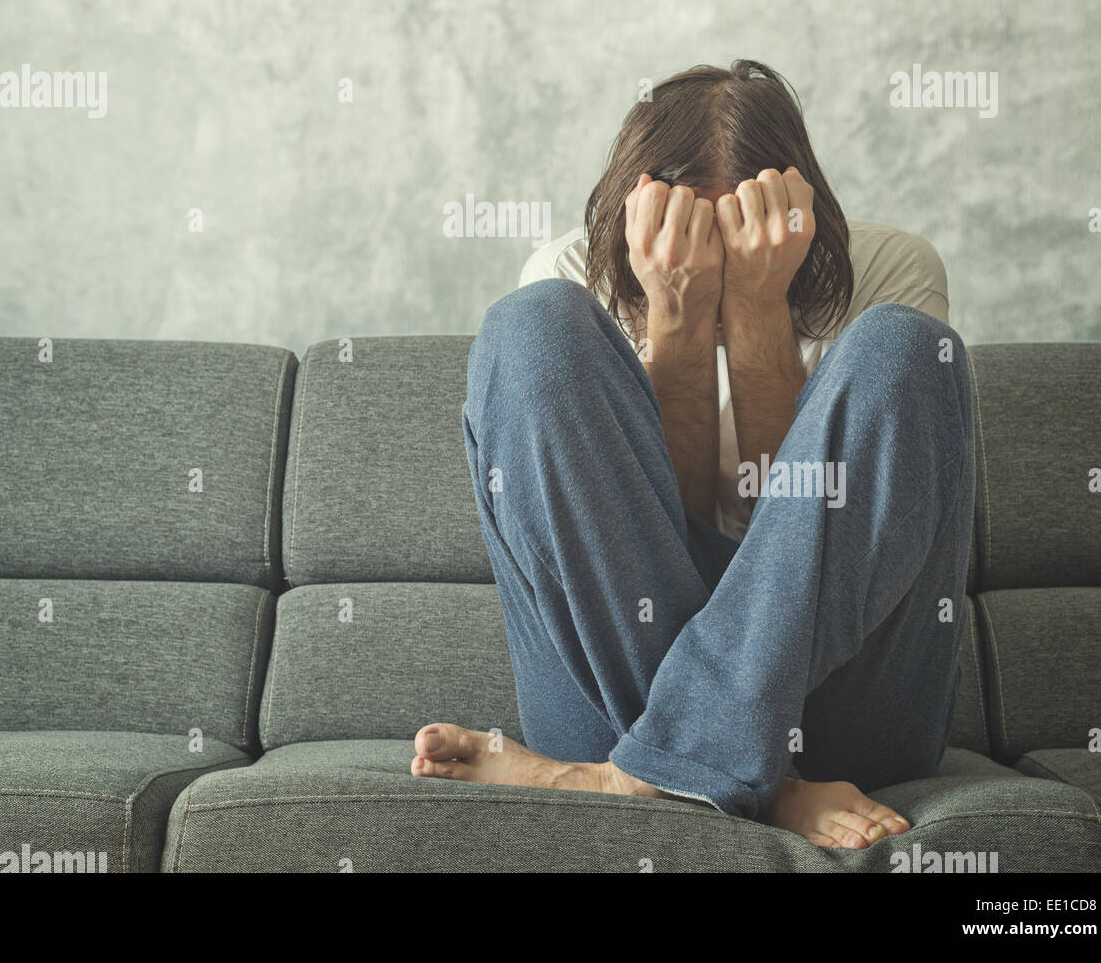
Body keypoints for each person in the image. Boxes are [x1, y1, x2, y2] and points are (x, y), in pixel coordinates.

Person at [411, 60, 975, 850]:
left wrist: (756, 306)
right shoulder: (574, 275)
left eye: (738, 234)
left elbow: (808, 536)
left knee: (906, 352)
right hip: (615, 702)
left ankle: (624, 778)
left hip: (839, 715)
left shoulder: (888, 270)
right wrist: (675, 320)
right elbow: (641, 547)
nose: (709, 257)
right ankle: (753, 783)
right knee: (529, 329)